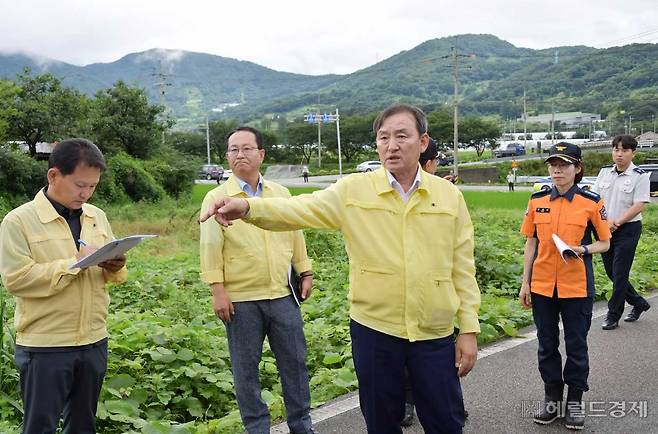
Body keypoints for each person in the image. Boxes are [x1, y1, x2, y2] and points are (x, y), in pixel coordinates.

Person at [201, 104, 481, 434]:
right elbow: (296, 210)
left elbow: (462, 266)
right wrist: (247, 207)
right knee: (381, 422)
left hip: (434, 331)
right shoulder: (354, 190)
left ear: (422, 143)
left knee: (446, 422)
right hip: (375, 329)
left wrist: (468, 328)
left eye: (401, 136)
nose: (391, 145)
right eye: (383, 137)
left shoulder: (448, 196)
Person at [0, 138, 127, 433]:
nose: (86, 193)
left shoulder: (97, 217)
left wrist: (115, 266)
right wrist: (73, 263)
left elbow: (111, 274)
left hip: (94, 339)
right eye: (80, 185)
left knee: (83, 424)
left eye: (93, 186)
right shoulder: (18, 221)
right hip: (46, 345)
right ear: (54, 175)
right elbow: (17, 279)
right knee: (39, 425)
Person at [199, 126, 316, 434]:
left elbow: (296, 232)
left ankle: (302, 425)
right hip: (241, 300)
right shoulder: (216, 197)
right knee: (245, 371)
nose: (240, 154)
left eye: (247, 148)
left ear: (261, 154)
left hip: (282, 294)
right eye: (234, 149)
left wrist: (305, 270)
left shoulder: (281, 194)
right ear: (227, 156)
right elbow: (210, 247)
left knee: (295, 363)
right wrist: (217, 289)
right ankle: (257, 429)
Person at [519, 142, 611, 430]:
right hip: (543, 285)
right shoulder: (537, 200)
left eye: (565, 164)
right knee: (546, 345)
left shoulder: (591, 202)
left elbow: (605, 243)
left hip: (576, 287)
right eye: (553, 165)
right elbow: (531, 242)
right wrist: (525, 282)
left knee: (576, 346)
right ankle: (552, 399)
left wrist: (583, 250)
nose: (557, 170)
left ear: (577, 168)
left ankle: (574, 402)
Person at [592, 135, 651, 330]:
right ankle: (639, 303)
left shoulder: (640, 175)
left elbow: (639, 205)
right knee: (611, 272)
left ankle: (613, 314)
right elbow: (594, 199)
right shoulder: (604, 173)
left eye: (624, 150)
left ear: (634, 152)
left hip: (628, 229)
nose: (619, 154)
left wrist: (616, 222)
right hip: (604, 229)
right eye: (616, 150)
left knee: (619, 273)